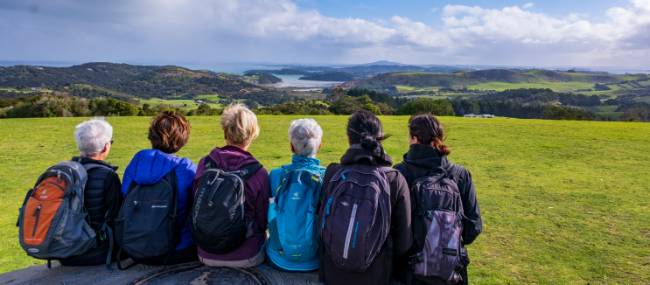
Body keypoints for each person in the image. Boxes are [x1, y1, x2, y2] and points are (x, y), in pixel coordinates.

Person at [318, 110, 412, 285]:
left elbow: (321, 222)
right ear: (380, 138)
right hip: (377, 275)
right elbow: (404, 242)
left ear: (348, 139)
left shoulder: (332, 172)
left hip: (332, 274)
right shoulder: (394, 179)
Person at [394, 114, 482, 285]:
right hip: (450, 272)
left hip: (409, 272)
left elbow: (393, 229)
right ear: (439, 138)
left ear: (413, 138)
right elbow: (473, 227)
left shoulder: (398, 173)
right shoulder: (460, 174)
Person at [193, 103, 270, 267]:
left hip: (205, 252)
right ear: (253, 134)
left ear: (225, 131)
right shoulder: (259, 172)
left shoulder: (205, 163)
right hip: (246, 256)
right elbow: (263, 221)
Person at [120, 111, 197, 265]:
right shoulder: (185, 167)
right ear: (182, 139)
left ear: (152, 136)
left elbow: (124, 193)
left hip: (134, 248)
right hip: (177, 250)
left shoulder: (137, 161)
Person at [59, 118, 122, 266]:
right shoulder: (108, 176)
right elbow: (116, 216)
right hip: (96, 252)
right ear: (106, 147)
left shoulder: (65, 171)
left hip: (65, 250)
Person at [267, 118, 326, 271]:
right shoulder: (327, 177)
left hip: (280, 258)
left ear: (291, 146)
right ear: (319, 146)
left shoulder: (275, 175)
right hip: (316, 259)